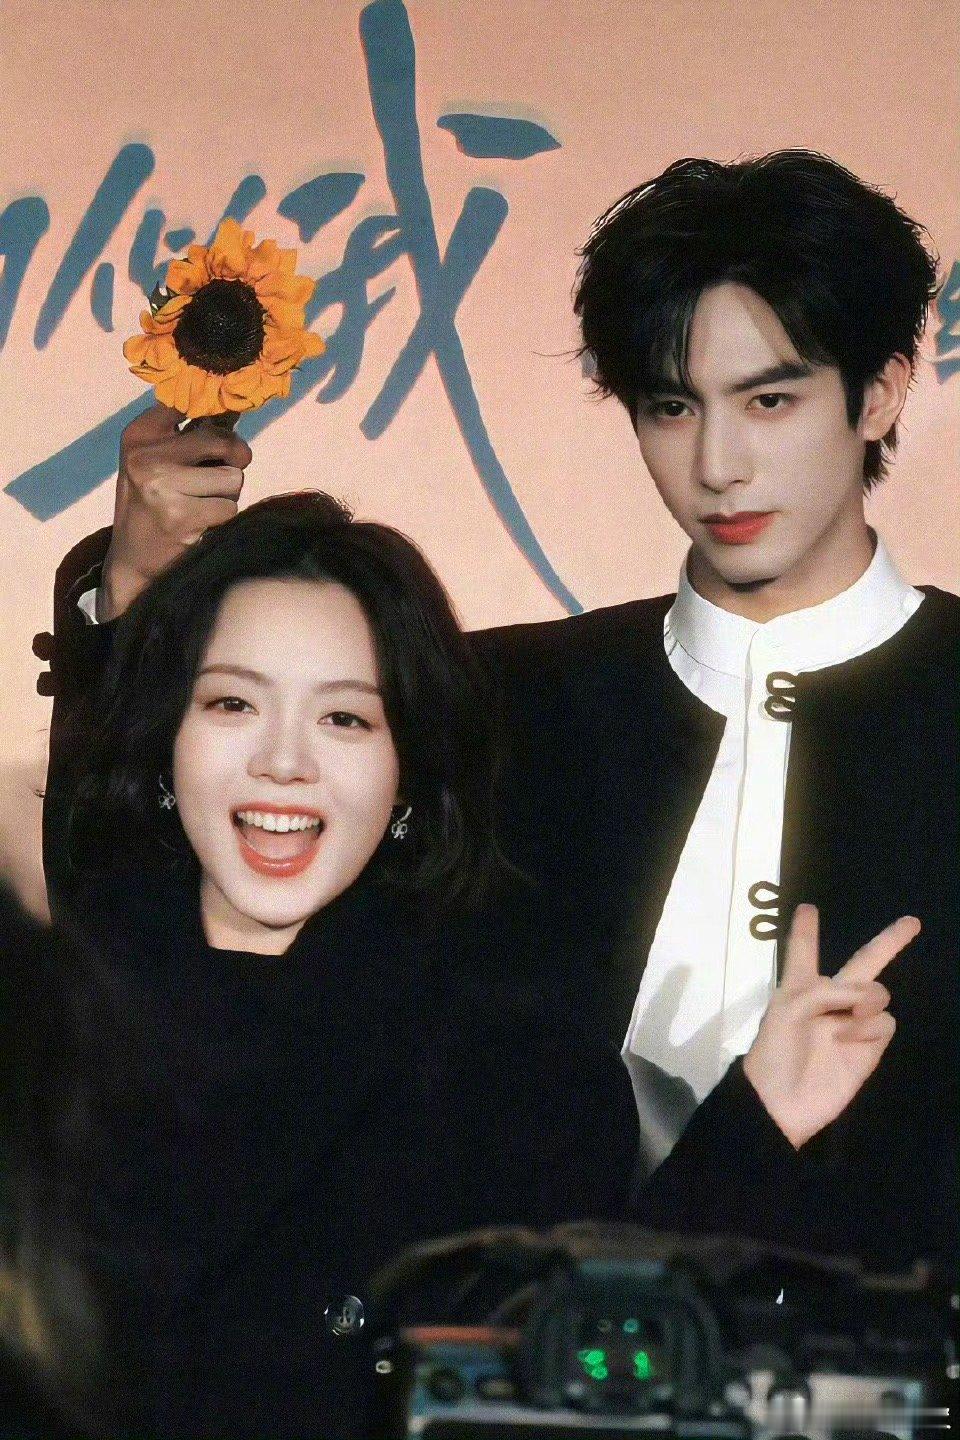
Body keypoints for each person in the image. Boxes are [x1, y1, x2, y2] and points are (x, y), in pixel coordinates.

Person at [38, 151, 958, 1275]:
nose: (720, 465)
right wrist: (136, 599)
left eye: (771, 400)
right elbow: (138, 952)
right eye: (671, 407)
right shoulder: (489, 701)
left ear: (882, 392)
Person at [13, 493, 645, 1439]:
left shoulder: (522, 1079)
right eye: (233, 703)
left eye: (344, 719)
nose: (284, 763)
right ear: (165, 739)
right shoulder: (42, 1036)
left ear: (408, 770)